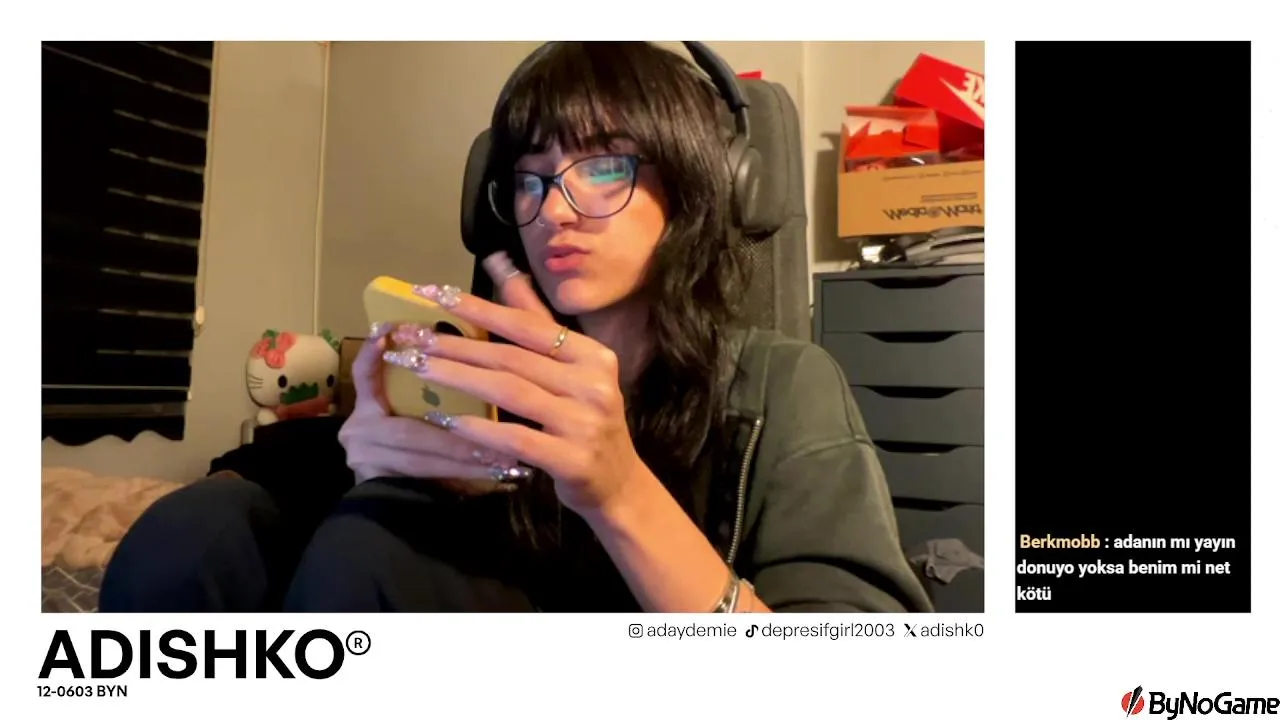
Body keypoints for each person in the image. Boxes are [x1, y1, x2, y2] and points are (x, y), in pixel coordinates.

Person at [100, 41, 932, 614]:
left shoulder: (781, 387)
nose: (553, 209)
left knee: (366, 557)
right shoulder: (483, 367)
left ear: (700, 185)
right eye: (530, 181)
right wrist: (361, 456)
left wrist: (617, 490)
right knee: (192, 532)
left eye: (602, 166)